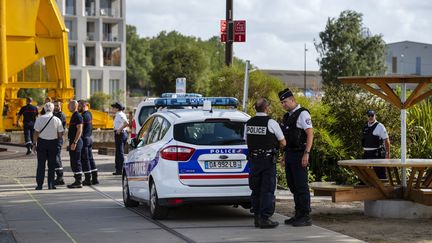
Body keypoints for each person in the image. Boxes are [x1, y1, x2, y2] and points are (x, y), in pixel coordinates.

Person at [246, 98, 286, 229]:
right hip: (267, 160)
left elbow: (246, 141)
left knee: (256, 189)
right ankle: (264, 218)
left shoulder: (248, 123)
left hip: (253, 160)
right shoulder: (271, 122)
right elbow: (283, 142)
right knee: (267, 189)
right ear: (266, 108)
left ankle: (257, 218)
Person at [279, 88, 314, 227]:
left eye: (285, 102)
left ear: (293, 100)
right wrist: (284, 156)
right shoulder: (287, 116)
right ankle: (298, 214)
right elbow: (288, 139)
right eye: (282, 103)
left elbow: (310, 134)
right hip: (290, 154)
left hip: (300, 154)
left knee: (301, 186)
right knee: (293, 186)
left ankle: (305, 216)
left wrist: (307, 153)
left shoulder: (302, 113)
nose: (283, 105)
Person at [32, 102, 64, 190]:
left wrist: (34, 144)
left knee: (41, 165)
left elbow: (35, 133)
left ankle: (39, 185)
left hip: (42, 143)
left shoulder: (39, 119)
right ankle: (51, 184)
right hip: (53, 143)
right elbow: (60, 134)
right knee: (52, 165)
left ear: (44, 109)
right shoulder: (57, 119)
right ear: (53, 109)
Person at [362, 110, 391, 179]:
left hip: (377, 153)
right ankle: (366, 188)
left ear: (375, 116)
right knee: (364, 173)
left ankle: (384, 188)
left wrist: (388, 153)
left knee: (380, 173)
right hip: (366, 154)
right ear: (367, 117)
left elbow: (386, 140)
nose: (370, 117)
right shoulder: (365, 127)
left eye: (372, 115)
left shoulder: (380, 126)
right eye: (369, 116)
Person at [78, 100, 99, 185]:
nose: (78, 108)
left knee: (85, 159)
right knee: (90, 159)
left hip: (85, 139)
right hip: (89, 138)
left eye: (79, 106)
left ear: (83, 106)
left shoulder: (83, 116)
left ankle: (87, 179)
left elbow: (80, 129)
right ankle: (94, 178)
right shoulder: (89, 114)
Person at [67, 100, 84, 189]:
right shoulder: (73, 116)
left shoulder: (77, 116)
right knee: (73, 161)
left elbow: (79, 130)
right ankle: (77, 180)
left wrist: (75, 142)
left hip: (76, 142)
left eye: (69, 105)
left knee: (76, 161)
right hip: (73, 141)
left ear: (74, 106)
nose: (68, 107)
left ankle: (78, 181)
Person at [111, 102, 129, 175]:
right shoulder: (121, 114)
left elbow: (126, 123)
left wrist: (119, 129)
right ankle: (119, 169)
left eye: (113, 108)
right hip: (122, 134)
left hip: (120, 134)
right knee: (119, 152)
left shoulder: (119, 114)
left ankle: (120, 170)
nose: (112, 109)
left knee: (119, 153)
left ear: (117, 108)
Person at [53, 100, 67, 185]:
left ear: (60, 106)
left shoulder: (61, 115)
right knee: (56, 157)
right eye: (54, 105)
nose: (56, 107)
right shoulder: (54, 114)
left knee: (56, 157)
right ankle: (59, 176)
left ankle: (60, 177)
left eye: (57, 105)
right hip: (54, 138)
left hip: (58, 139)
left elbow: (60, 129)